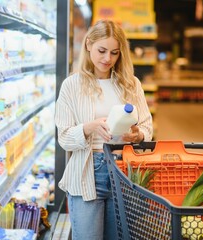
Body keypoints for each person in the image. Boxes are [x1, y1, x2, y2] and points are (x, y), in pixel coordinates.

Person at [54, 19, 153, 240]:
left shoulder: (131, 84)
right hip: (87, 172)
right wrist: (88, 128)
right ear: (88, 44)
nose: (107, 58)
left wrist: (138, 135)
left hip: (123, 172)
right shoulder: (72, 85)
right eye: (101, 50)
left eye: (114, 53)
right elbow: (64, 138)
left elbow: (147, 126)